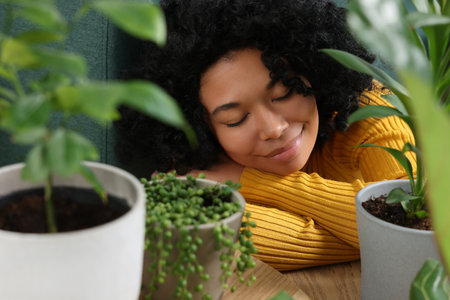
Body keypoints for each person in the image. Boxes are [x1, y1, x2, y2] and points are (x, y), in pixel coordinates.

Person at [115, 0, 416, 270]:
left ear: (311, 69)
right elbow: (399, 234)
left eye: (284, 92)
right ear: (201, 126)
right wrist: (366, 236)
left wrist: (250, 180)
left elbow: (410, 220)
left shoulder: (369, 114)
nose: (274, 129)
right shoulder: (198, 173)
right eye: (236, 119)